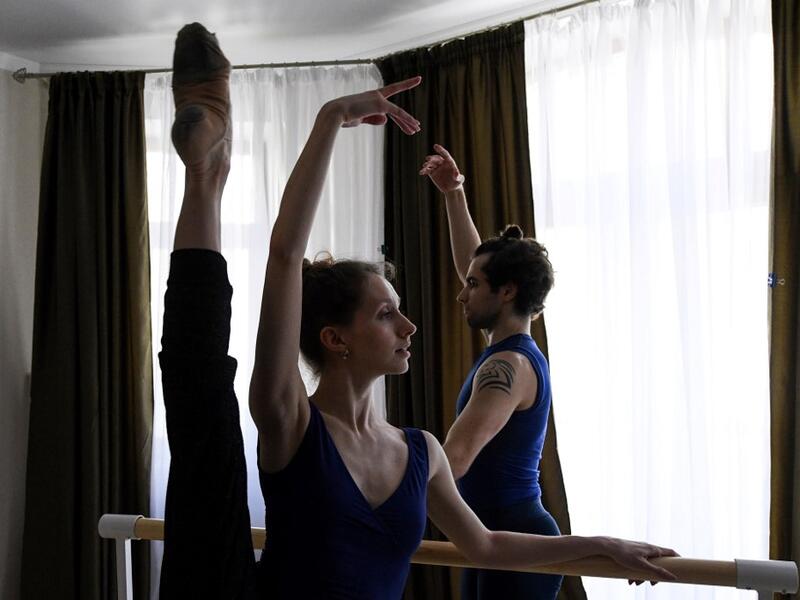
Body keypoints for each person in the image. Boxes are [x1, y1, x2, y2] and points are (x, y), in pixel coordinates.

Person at [159, 22, 678, 600]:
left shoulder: (422, 451)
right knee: (202, 402)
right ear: (336, 339)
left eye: (399, 312)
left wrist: (604, 545)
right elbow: (283, 258)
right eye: (386, 315)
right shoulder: (290, 420)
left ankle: (210, 169)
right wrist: (330, 118)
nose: (410, 327)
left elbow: (487, 546)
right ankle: (207, 175)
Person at [419, 144, 583, 599]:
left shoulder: (507, 366)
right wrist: (455, 194)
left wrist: (381, 505)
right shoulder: (512, 349)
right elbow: (477, 268)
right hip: (490, 536)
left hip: (515, 541)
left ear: (507, 292)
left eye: (471, 286)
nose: (461, 293)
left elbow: (456, 456)